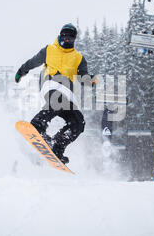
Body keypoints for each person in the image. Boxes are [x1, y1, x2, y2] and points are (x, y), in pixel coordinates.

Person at [15, 23, 96, 164]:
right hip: (50, 84)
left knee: (78, 123)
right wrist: (22, 71)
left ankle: (57, 146)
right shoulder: (49, 50)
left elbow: (83, 77)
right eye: (64, 37)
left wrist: (90, 81)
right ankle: (38, 125)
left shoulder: (78, 58)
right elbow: (33, 62)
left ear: (74, 40)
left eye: (70, 39)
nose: (66, 41)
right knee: (58, 100)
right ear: (60, 36)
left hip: (67, 92)